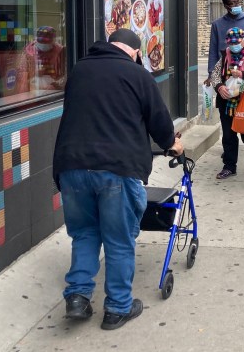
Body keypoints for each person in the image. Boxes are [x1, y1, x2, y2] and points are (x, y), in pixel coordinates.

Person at [53, 28, 184, 330]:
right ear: (136, 52)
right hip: (117, 169)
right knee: (119, 240)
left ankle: (77, 297)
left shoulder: (79, 70)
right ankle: (117, 308)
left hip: (71, 166)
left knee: (84, 234)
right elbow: (160, 121)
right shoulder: (138, 75)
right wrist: (172, 144)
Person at [209, 27, 244, 178]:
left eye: (237, 42)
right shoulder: (225, 55)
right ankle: (229, 166)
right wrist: (219, 86)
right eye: (231, 42)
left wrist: (243, 74)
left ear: (243, 40)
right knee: (228, 135)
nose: (234, 45)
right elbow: (215, 74)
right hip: (227, 101)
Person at [206, 0, 244, 74]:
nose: (237, 5)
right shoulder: (217, 24)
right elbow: (213, 49)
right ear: (226, 6)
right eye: (233, 3)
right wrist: (211, 73)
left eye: (238, 2)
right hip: (223, 68)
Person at [15, 25, 66, 93]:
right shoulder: (29, 51)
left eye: (47, 43)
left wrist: (56, 85)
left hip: (54, 90)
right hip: (33, 89)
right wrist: (33, 74)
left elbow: (66, 73)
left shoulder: (60, 51)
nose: (44, 45)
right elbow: (21, 72)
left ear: (53, 41)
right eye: (41, 43)